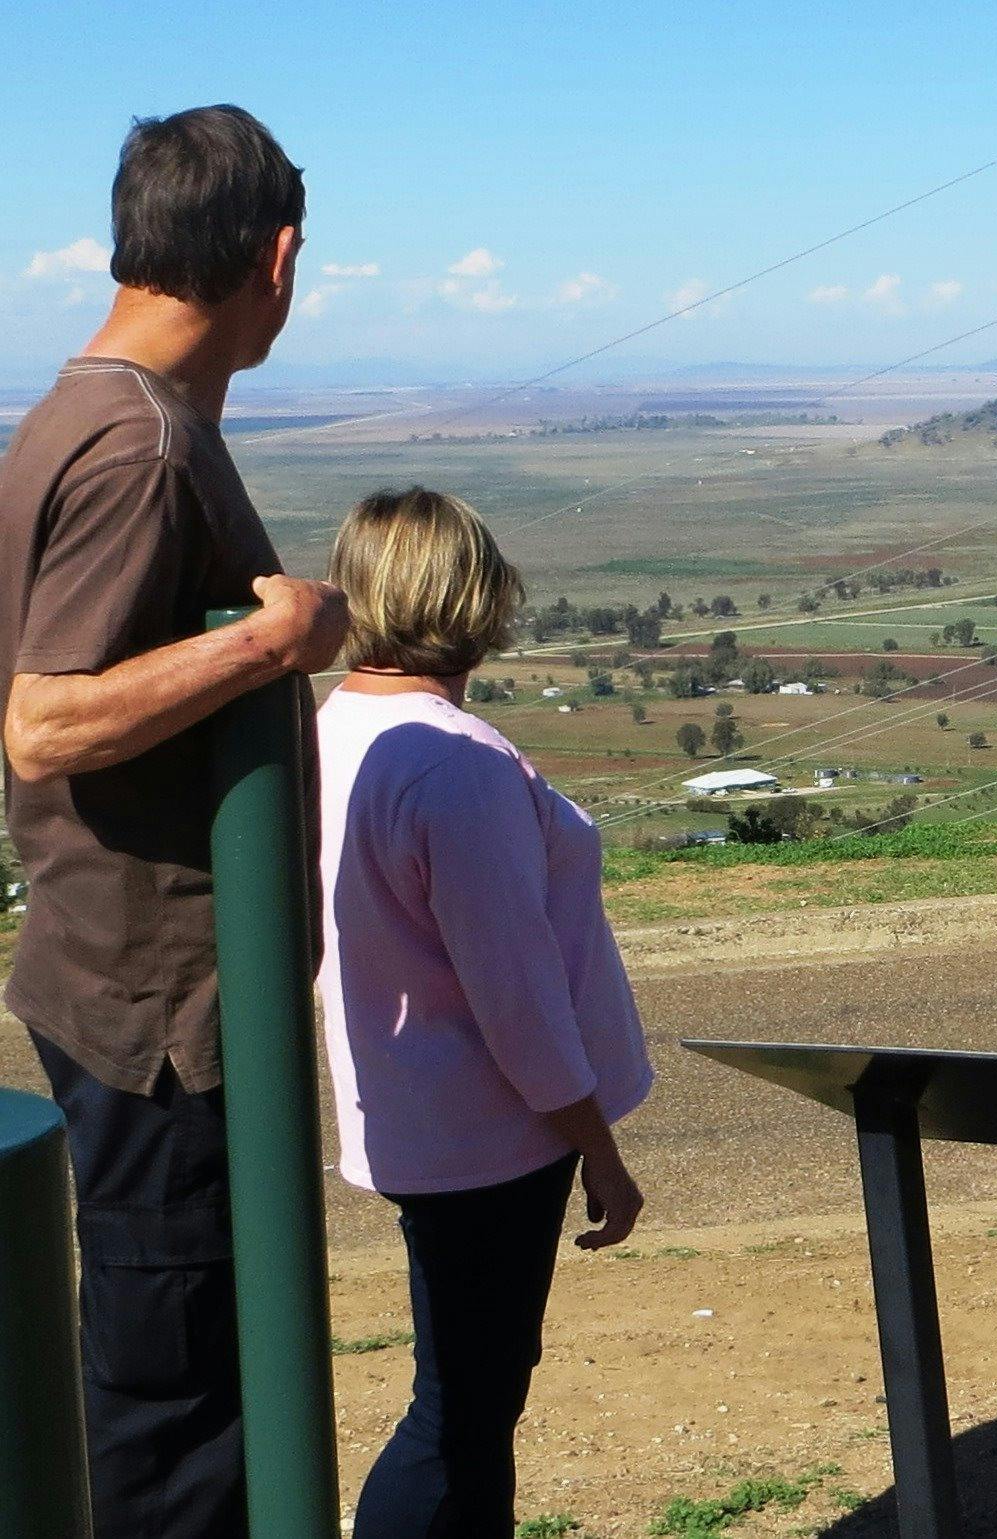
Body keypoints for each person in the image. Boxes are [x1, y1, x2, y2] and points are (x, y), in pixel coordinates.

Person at [0, 106, 347, 1538]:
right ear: (275, 256)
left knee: (189, 1390)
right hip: (153, 1017)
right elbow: (45, 716)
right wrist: (276, 644)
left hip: (123, 992)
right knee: (180, 1414)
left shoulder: (75, 410)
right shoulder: (142, 444)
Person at [317, 486, 653, 1537]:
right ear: (473, 595)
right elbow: (518, 1001)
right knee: (460, 1411)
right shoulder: (450, 765)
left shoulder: (337, 729)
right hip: (489, 1137)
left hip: (417, 1113)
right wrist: (597, 1146)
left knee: (470, 1396)